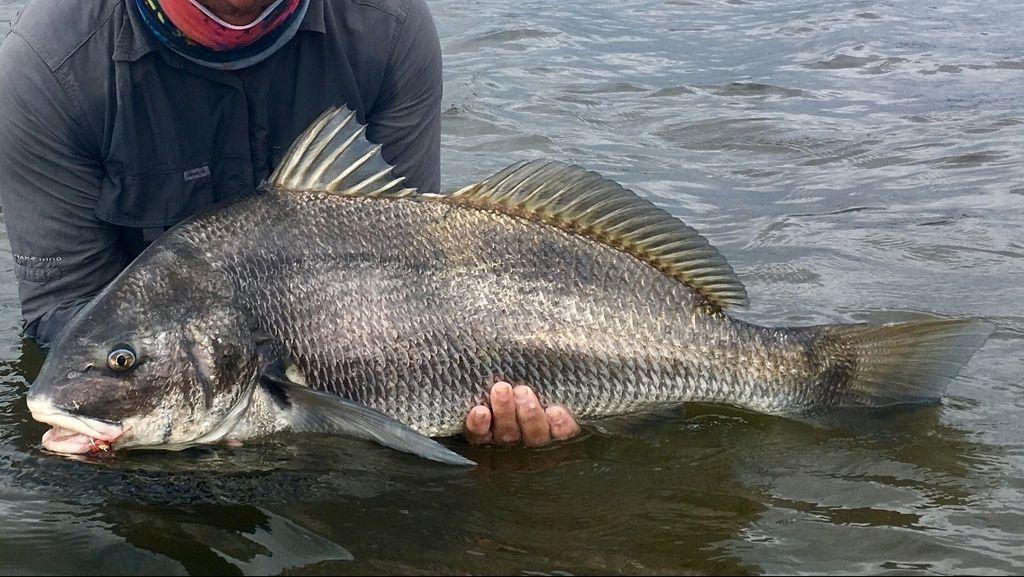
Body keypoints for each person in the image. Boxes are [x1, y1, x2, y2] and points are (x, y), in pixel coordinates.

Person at [0, 0, 579, 447]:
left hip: (336, 352)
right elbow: (63, 306)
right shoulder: (47, 68)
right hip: (183, 344)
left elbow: (419, 249)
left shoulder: (390, 27)